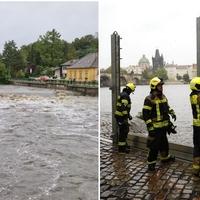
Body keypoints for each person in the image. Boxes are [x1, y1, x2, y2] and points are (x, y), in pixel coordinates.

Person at [142, 77, 176, 171]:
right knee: (154, 147)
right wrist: (150, 127)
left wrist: (172, 113)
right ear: (154, 86)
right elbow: (145, 115)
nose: (161, 87)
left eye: (161, 85)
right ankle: (151, 163)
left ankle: (165, 158)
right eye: (159, 85)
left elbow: (167, 107)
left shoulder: (163, 96)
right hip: (155, 127)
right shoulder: (149, 99)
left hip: (164, 126)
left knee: (164, 144)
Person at [115, 82, 136, 153]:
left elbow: (124, 107)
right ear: (129, 90)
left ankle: (124, 146)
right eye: (131, 91)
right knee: (123, 133)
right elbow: (123, 107)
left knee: (124, 131)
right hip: (121, 117)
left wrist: (128, 114)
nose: (131, 93)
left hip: (121, 116)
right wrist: (127, 116)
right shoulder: (125, 96)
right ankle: (121, 150)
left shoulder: (122, 94)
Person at [190, 77, 200, 177]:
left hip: (196, 126)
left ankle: (196, 169)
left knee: (197, 146)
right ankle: (196, 169)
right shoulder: (196, 96)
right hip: (198, 126)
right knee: (197, 146)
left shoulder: (193, 95)